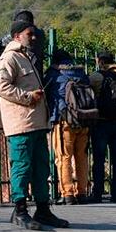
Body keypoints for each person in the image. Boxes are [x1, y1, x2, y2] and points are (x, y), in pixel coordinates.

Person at [0, 18, 69, 230]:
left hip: (36, 124)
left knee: (41, 168)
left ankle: (43, 210)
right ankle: (20, 211)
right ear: (17, 36)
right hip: (21, 125)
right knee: (22, 167)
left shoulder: (25, 57)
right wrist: (27, 97)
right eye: (29, 34)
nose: (34, 37)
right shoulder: (9, 58)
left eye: (34, 34)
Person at [44, 49, 93, 204]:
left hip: (63, 120)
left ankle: (68, 194)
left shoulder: (54, 74)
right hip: (83, 119)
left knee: (64, 157)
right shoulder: (81, 73)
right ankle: (82, 192)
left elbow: (46, 94)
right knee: (81, 157)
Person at [88, 51, 116, 203]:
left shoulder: (97, 76)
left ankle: (97, 194)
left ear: (99, 61)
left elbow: (84, 85)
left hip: (101, 122)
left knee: (99, 159)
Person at [0, 10, 46, 80]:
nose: (33, 38)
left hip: (23, 76)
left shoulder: (22, 34)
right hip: (36, 75)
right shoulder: (40, 34)